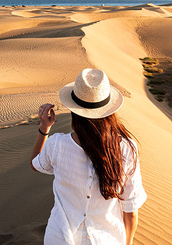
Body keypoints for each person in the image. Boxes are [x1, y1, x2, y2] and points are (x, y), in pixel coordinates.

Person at [31, 68, 147, 245]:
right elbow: (130, 210)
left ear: (74, 111)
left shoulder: (56, 145)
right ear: (108, 111)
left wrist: (44, 128)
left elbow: (35, 163)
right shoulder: (126, 149)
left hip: (59, 239)